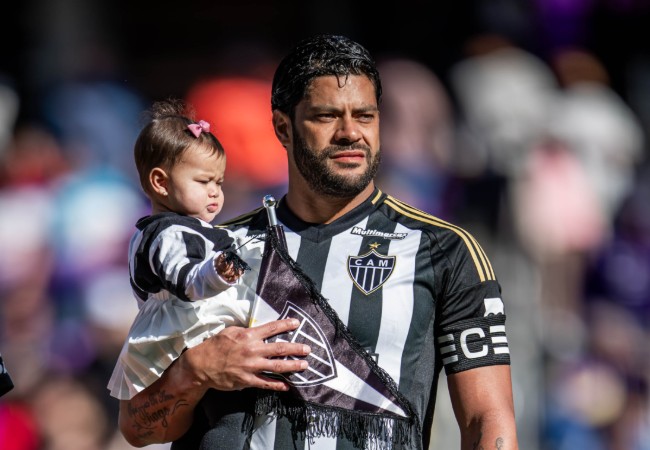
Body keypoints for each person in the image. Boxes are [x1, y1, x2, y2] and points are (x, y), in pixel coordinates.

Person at [118, 35, 519, 449]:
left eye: (365, 116)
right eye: (327, 116)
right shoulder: (214, 251)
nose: (350, 133)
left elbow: (488, 421)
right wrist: (194, 372)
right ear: (282, 127)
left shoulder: (444, 250)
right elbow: (139, 427)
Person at [107, 100, 250, 401]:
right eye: (203, 181)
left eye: (219, 182)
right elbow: (188, 282)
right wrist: (218, 270)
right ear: (160, 182)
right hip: (184, 330)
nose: (215, 191)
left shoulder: (185, 228)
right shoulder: (168, 233)